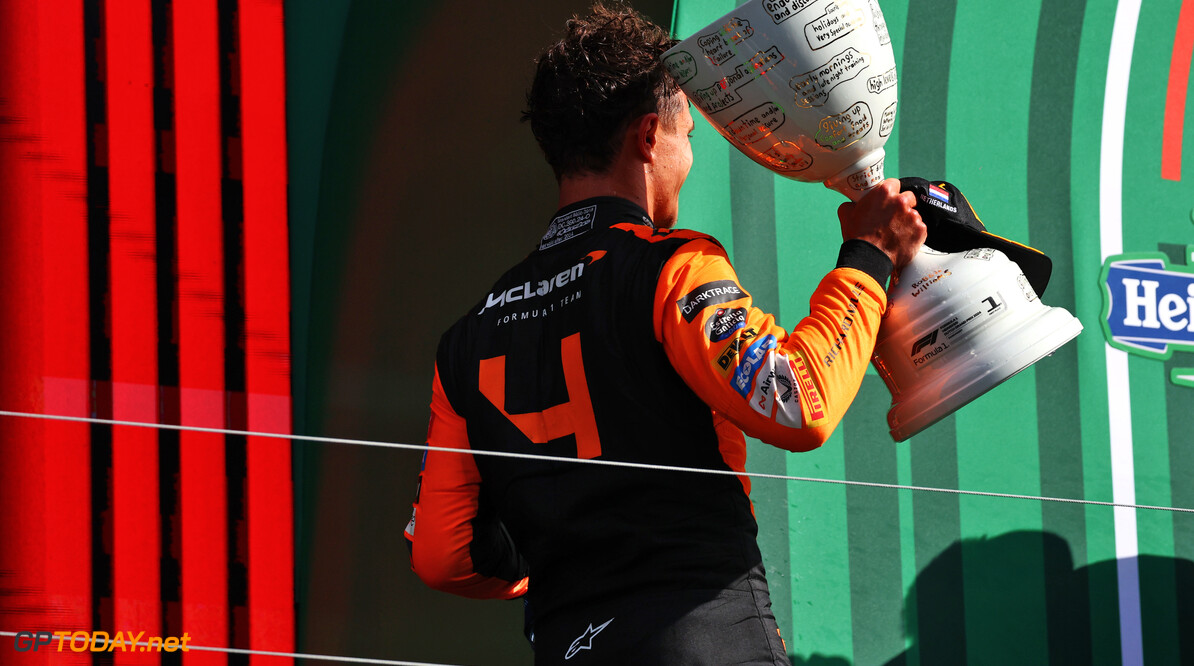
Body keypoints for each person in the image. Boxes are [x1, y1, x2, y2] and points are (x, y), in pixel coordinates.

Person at [404, 3, 925, 664]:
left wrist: (570, 567)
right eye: (689, 137)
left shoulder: (467, 339)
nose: (690, 157)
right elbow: (798, 402)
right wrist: (870, 257)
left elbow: (442, 557)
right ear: (650, 136)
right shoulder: (669, 266)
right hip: (706, 635)